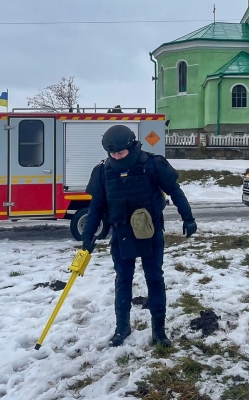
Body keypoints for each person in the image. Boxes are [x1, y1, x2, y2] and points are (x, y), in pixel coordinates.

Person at [81, 125, 197, 347]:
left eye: (120, 153)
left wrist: (188, 217)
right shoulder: (103, 171)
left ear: (132, 145)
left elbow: (174, 190)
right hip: (121, 233)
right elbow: (96, 205)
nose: (116, 157)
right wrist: (88, 235)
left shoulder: (152, 164)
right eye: (112, 154)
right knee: (123, 280)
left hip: (150, 232)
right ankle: (122, 328)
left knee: (154, 278)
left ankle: (159, 331)